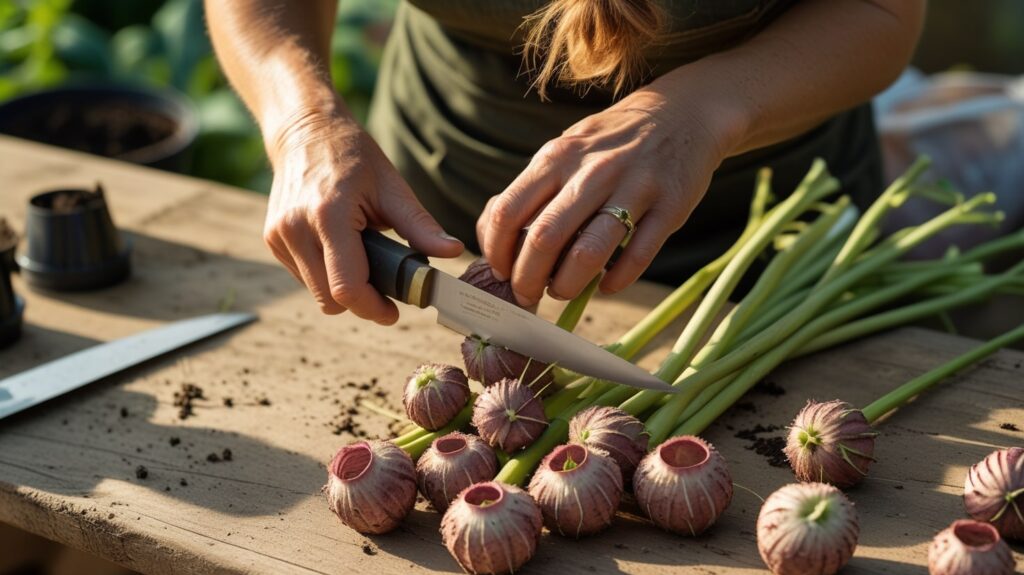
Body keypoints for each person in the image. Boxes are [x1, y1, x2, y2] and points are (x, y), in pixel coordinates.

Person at [206, 0, 925, 325]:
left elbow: (884, 13)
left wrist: (703, 112)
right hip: (440, 224)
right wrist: (301, 118)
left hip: (767, 259)